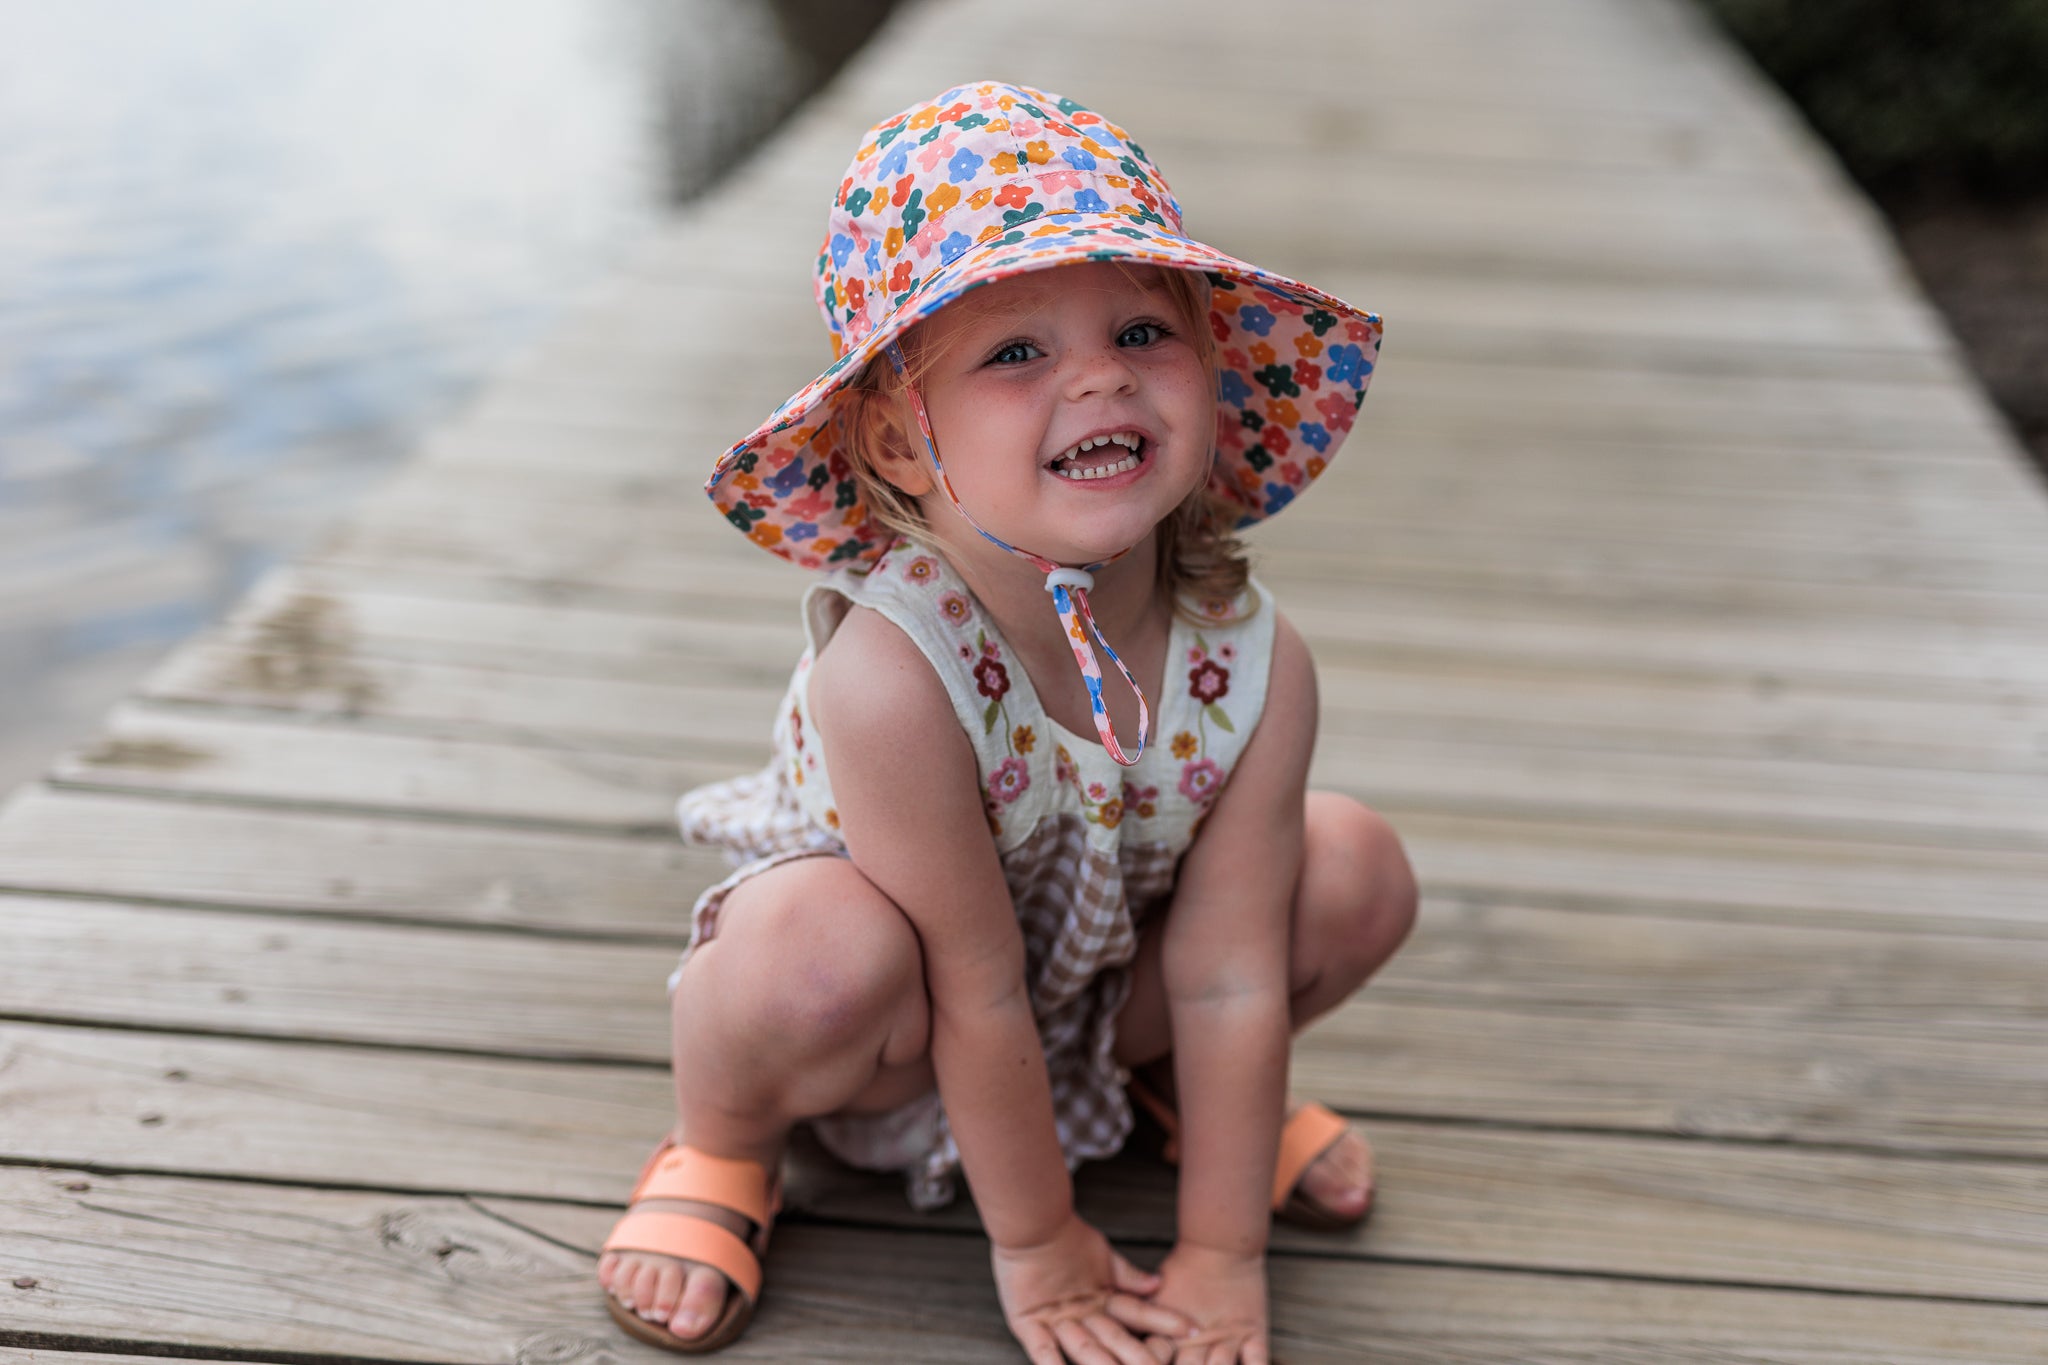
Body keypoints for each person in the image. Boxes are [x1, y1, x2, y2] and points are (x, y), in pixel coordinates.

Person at [596, 80, 1416, 1363]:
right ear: (899, 441)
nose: (1096, 377)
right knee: (809, 948)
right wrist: (1037, 1250)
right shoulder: (894, 674)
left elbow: (1231, 968)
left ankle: (1161, 1097)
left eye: (1143, 330)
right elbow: (971, 984)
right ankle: (721, 1148)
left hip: (1092, 1003)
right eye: (1014, 352)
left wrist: (1219, 1257)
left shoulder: (1253, 664)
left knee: (1353, 864)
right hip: (894, 1032)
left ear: (1209, 369)